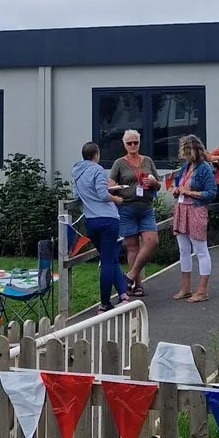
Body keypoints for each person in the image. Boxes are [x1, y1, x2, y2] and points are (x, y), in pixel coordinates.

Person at [72, 140, 127, 310]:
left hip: (91, 220)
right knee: (108, 261)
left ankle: (123, 293)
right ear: (96, 154)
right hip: (108, 219)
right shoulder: (98, 170)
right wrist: (117, 199)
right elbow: (103, 195)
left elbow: (77, 195)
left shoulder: (76, 172)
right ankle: (104, 303)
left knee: (109, 257)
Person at [109, 130, 162, 299]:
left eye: (135, 142)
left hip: (146, 207)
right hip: (127, 208)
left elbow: (159, 185)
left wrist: (153, 182)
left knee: (152, 241)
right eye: (129, 143)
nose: (133, 145)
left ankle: (130, 276)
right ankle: (137, 285)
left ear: (139, 143)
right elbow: (110, 186)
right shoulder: (119, 163)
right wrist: (117, 194)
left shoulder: (148, 161)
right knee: (132, 247)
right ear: (124, 144)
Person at [168, 135, 218, 303]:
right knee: (183, 249)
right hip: (182, 209)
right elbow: (180, 185)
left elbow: (211, 193)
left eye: (185, 150)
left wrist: (189, 192)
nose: (183, 154)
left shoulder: (205, 168)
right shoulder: (186, 166)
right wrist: (177, 191)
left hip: (196, 210)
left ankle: (202, 290)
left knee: (200, 250)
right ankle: (186, 288)